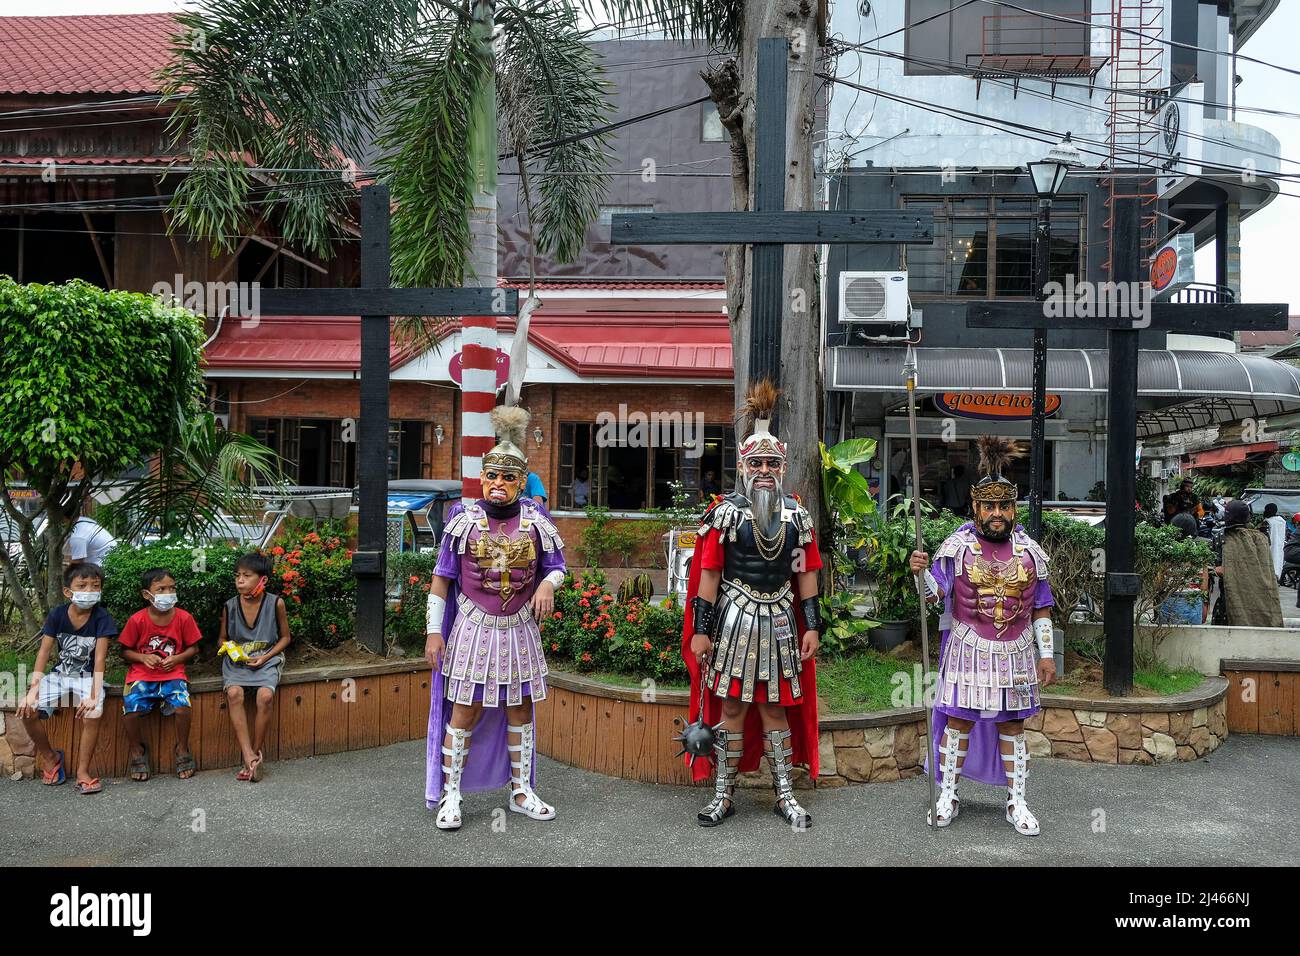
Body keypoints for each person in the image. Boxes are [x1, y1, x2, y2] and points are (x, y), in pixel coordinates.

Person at [683, 380, 822, 828]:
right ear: (743, 466)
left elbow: (806, 573)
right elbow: (709, 573)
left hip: (781, 620)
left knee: (776, 708)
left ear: (782, 467)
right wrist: (700, 630)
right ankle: (723, 795)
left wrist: (812, 625)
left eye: (772, 462)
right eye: (757, 462)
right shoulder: (725, 513)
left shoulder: (797, 516)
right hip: (734, 620)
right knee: (732, 708)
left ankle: (784, 794)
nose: (765, 469)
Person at [424, 405, 566, 830]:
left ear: (522, 482)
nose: (499, 483)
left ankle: (521, 791)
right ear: (482, 478)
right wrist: (434, 633)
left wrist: (547, 584)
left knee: (519, 707)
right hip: (472, 627)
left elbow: (557, 566)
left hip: (519, 628)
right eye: (492, 475)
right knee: (463, 709)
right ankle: (451, 795)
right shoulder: (460, 520)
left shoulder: (538, 521)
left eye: (508, 477)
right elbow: (441, 579)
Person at [908, 435, 1056, 837]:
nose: (996, 514)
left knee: (1013, 726)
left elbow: (1041, 606)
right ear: (975, 507)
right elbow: (935, 595)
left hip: (1018, 651)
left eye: (1003, 506)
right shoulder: (955, 548)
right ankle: (948, 795)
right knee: (958, 722)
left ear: (1013, 508)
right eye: (988, 506)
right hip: (967, 647)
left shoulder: (1030, 552)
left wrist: (1047, 655)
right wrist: (919, 573)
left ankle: (1017, 801)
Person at [15, 563, 117, 793]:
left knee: (93, 713)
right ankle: (51, 758)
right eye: (82, 585)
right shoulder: (58, 614)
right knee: (28, 710)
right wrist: (33, 691)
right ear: (68, 591)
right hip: (60, 674)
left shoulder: (102, 617)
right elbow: (43, 652)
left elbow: (100, 659)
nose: (89, 590)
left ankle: (83, 771)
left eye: (95, 586)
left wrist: (93, 696)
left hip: (89, 676)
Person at [118, 567, 204, 781]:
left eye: (171, 588)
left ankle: (182, 749)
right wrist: (142, 657)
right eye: (161, 589)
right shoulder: (137, 620)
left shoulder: (184, 618)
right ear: (147, 595)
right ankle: (137, 750)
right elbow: (124, 652)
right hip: (141, 676)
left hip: (173, 674)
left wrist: (177, 658)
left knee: (183, 707)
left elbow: (194, 648)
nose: (168, 593)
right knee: (130, 710)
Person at [219, 552, 292, 782]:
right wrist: (235, 652)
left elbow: (285, 638)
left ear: (263, 580)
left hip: (267, 659)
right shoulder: (229, 606)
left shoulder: (276, 603)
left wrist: (266, 656)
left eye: (247, 575)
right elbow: (221, 640)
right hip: (238, 661)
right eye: (237, 575)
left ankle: (254, 756)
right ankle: (248, 754)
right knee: (234, 693)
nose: (240, 580)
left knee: (265, 697)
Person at [1215, 500, 1283, 627]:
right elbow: (1266, 569)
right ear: (1247, 516)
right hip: (1261, 597)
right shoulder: (1262, 537)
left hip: (1230, 601)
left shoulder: (1222, 537)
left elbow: (1219, 567)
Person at [1262, 503, 1287, 579]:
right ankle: (1276, 578)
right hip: (1279, 546)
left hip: (1269, 547)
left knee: (1269, 563)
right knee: (1277, 561)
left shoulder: (1267, 522)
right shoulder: (1282, 521)